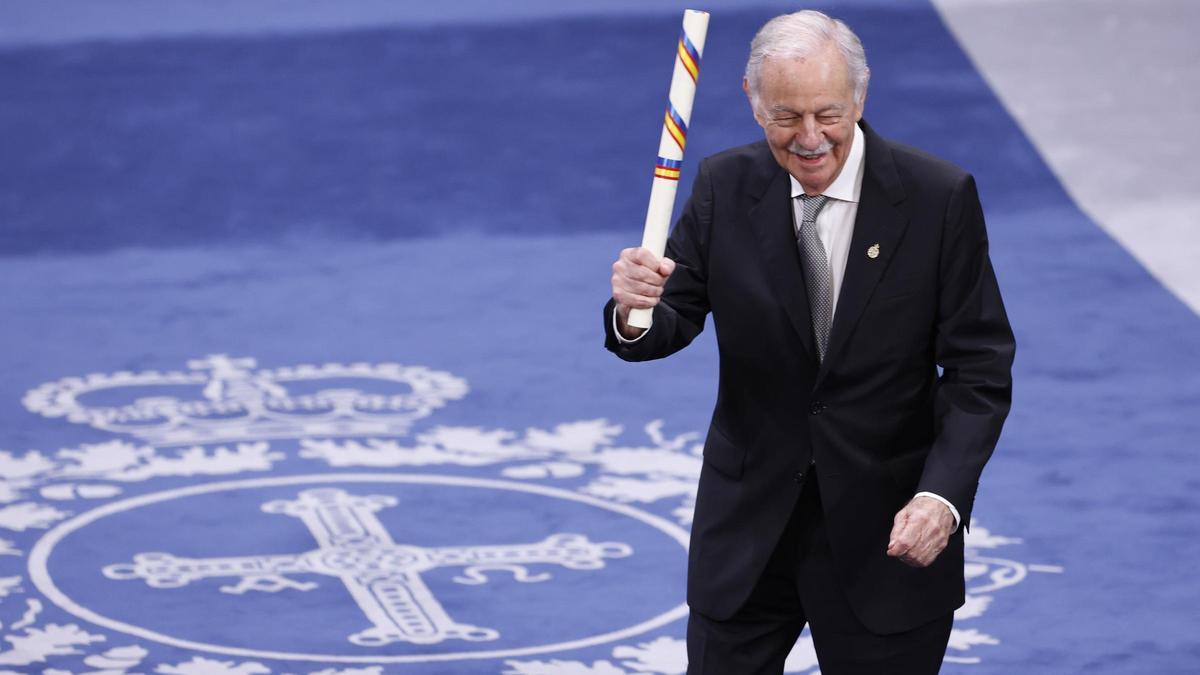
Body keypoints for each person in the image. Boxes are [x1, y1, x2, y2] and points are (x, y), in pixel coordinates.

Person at [604, 10, 1015, 674]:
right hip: (747, 532)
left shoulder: (938, 199)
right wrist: (634, 309)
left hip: (887, 536)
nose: (810, 138)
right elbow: (668, 319)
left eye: (828, 114)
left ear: (861, 95)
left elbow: (979, 369)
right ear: (752, 100)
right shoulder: (724, 185)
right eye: (785, 116)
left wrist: (941, 497)